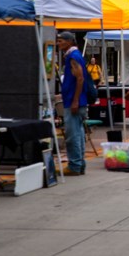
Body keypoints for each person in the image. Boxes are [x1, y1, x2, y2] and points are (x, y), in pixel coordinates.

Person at [56, 31, 90, 176]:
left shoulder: (73, 57)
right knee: (79, 132)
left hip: (74, 101)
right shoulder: (74, 56)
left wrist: (75, 100)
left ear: (70, 41)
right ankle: (79, 164)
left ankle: (75, 165)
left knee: (72, 134)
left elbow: (80, 78)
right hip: (76, 100)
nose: (58, 43)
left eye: (61, 41)